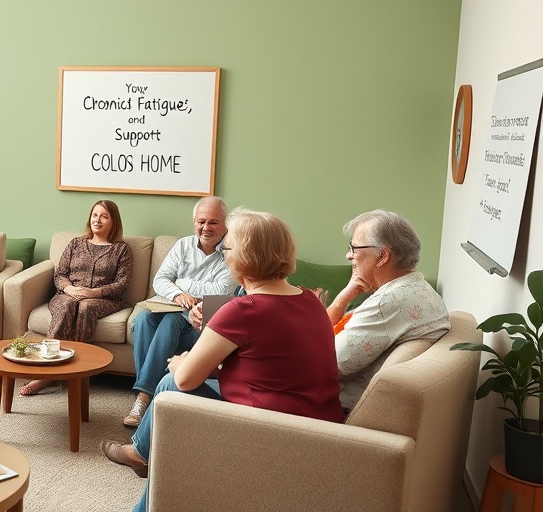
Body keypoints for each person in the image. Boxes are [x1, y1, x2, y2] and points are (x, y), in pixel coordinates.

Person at [100, 208, 344, 512]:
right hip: (319, 422)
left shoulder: (243, 309)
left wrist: (180, 363)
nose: (223, 255)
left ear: (244, 257)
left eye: (226, 248)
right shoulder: (309, 298)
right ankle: (142, 462)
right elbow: (265, 359)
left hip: (272, 427)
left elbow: (186, 379)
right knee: (176, 398)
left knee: (170, 384)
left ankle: (140, 454)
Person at [124, 196, 237, 427]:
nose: (206, 227)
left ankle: (143, 398)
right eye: (201, 221)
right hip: (173, 308)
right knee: (144, 319)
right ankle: (150, 394)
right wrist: (177, 294)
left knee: (171, 322)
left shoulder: (230, 250)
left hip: (202, 325)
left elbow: (222, 290)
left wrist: (181, 283)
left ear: (225, 224)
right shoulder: (183, 245)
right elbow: (160, 280)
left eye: (213, 222)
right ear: (194, 222)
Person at [326, 210, 449, 410]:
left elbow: (327, 364)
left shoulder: (387, 303)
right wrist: (344, 297)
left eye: (354, 248)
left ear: (382, 256)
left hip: (332, 408)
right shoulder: (419, 287)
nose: (349, 255)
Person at [20, 200, 133, 396]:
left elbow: (121, 284)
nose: (97, 220)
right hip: (68, 294)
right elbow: (60, 274)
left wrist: (94, 292)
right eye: (95, 215)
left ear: (114, 221)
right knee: (68, 305)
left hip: (103, 299)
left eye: (104, 216)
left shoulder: (122, 250)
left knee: (86, 307)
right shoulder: (75, 244)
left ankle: (78, 370)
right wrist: (70, 288)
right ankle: (45, 371)